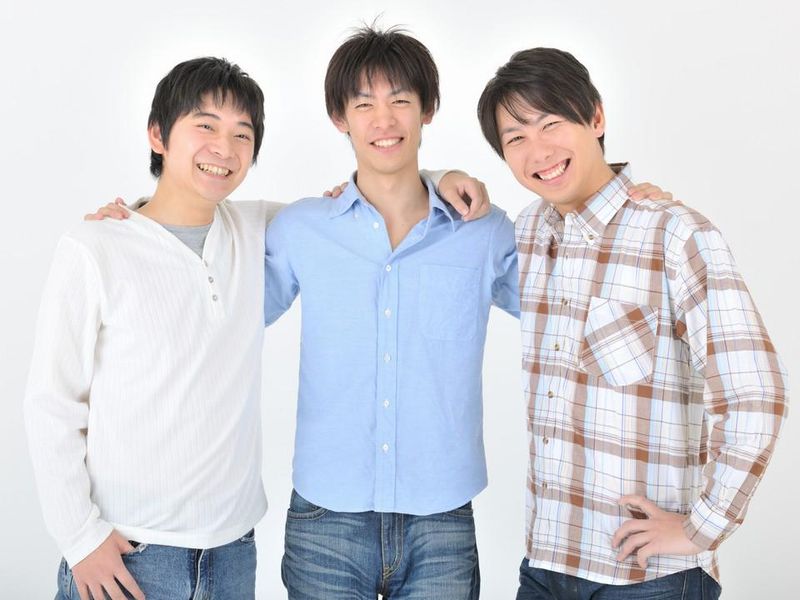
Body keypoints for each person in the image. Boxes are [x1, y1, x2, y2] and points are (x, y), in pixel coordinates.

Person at [31, 53, 490, 600]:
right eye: (205, 126)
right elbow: (52, 405)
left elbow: (380, 196)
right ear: (158, 134)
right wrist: (80, 538)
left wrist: (441, 178)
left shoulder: (260, 229)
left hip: (231, 552)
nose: (224, 149)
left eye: (242, 135)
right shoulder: (95, 247)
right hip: (127, 552)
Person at [477, 47, 788, 599]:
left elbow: (755, 392)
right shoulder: (527, 234)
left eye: (551, 124)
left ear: (596, 117)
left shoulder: (674, 234)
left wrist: (701, 529)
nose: (538, 151)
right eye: (515, 138)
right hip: (546, 564)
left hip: (648, 577)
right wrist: (437, 176)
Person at [264, 26, 520, 599]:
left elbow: (567, 299)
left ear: (427, 110)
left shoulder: (483, 231)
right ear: (340, 118)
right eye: (364, 104)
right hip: (325, 517)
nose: (384, 120)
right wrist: (144, 217)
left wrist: (628, 202)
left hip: (441, 518)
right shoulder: (303, 228)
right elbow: (222, 303)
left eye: (400, 100)